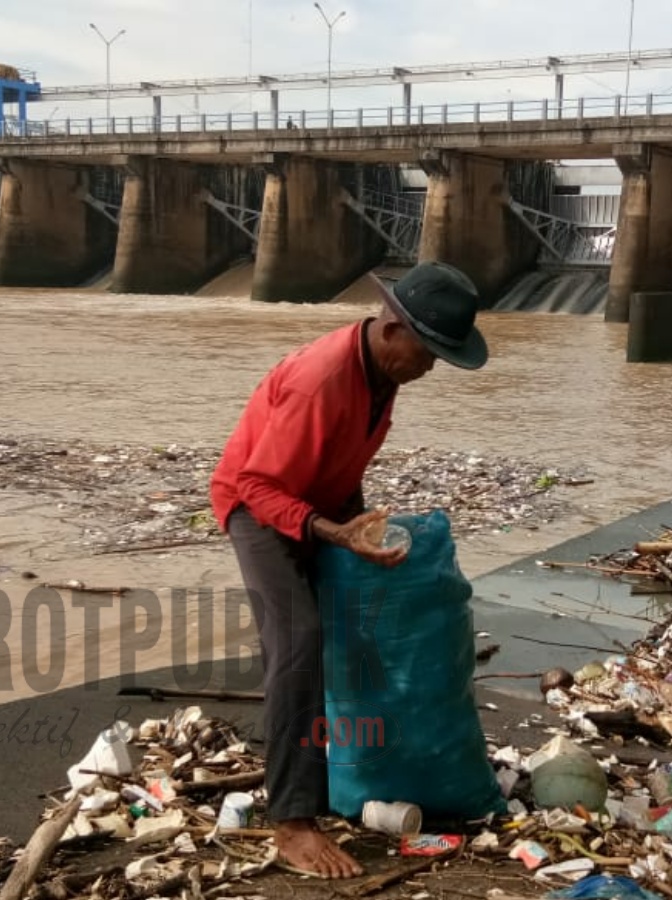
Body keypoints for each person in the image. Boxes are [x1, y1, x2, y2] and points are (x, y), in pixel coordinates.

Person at [209, 262, 489, 879]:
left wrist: (354, 523)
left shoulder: (384, 374)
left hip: (320, 502)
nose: (432, 366)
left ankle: (358, 769)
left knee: (360, 622)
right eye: (430, 351)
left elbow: (341, 455)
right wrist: (335, 533)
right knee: (298, 640)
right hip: (258, 508)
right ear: (392, 328)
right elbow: (257, 483)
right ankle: (292, 823)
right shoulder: (322, 379)